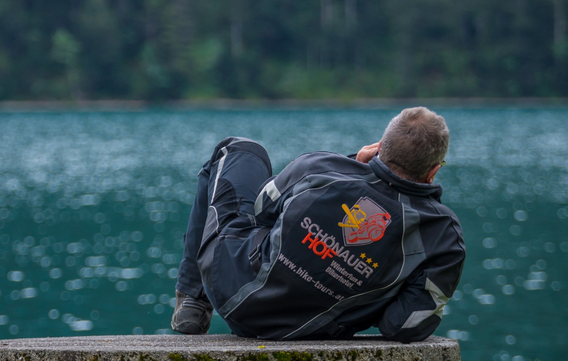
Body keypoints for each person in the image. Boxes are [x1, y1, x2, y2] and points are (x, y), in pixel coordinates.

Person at [171, 107, 466, 341]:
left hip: (231, 289)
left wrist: (352, 165)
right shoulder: (443, 236)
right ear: (433, 172)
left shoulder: (321, 166)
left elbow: (262, 209)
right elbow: (404, 325)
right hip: (311, 330)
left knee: (238, 149)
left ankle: (194, 302)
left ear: (380, 148)